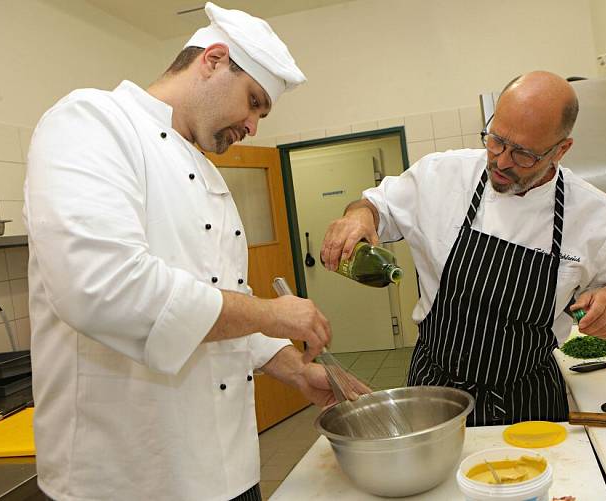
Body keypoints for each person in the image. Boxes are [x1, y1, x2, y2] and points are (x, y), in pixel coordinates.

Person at [24, 4, 364, 500]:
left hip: (230, 470)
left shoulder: (206, 172)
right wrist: (271, 314)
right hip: (128, 477)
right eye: (253, 102)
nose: (252, 126)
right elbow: (102, 287)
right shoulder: (92, 121)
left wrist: (293, 368)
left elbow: (221, 303)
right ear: (213, 59)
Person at [321, 71, 606, 427]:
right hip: (437, 387)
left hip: (529, 396)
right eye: (496, 140)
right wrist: (358, 216)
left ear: (561, 149)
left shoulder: (596, 214)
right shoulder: (442, 175)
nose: (501, 162)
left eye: (524, 155)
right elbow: (376, 206)